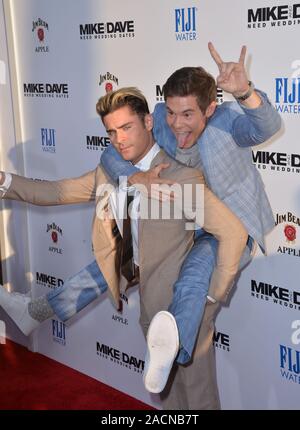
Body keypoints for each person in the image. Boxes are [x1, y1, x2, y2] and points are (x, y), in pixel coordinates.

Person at [0, 87, 247, 410]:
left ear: (148, 122)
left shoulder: (178, 177)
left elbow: (231, 231)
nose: (119, 139)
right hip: (149, 303)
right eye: (111, 132)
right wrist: (5, 181)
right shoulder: (110, 173)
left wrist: (213, 294)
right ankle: (38, 311)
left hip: (185, 306)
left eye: (127, 128)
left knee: (198, 397)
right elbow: (56, 192)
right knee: (169, 399)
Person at [98, 43, 282, 408]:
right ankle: (46, 307)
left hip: (228, 230)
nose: (177, 125)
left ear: (210, 109)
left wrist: (245, 92)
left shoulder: (228, 120)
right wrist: (138, 179)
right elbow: (110, 153)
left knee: (197, 276)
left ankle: (172, 346)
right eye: (170, 113)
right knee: (111, 266)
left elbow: (267, 126)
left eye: (187, 115)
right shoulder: (164, 123)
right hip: (187, 227)